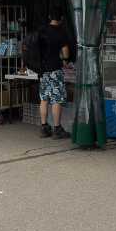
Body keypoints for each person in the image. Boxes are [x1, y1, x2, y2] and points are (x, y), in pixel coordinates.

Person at [37, 8, 73, 139]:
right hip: (55, 69)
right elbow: (65, 50)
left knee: (44, 99)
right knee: (57, 99)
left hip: (42, 71)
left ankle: (43, 127)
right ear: (61, 19)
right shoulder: (60, 32)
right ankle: (57, 129)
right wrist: (65, 60)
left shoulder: (41, 30)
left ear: (49, 17)